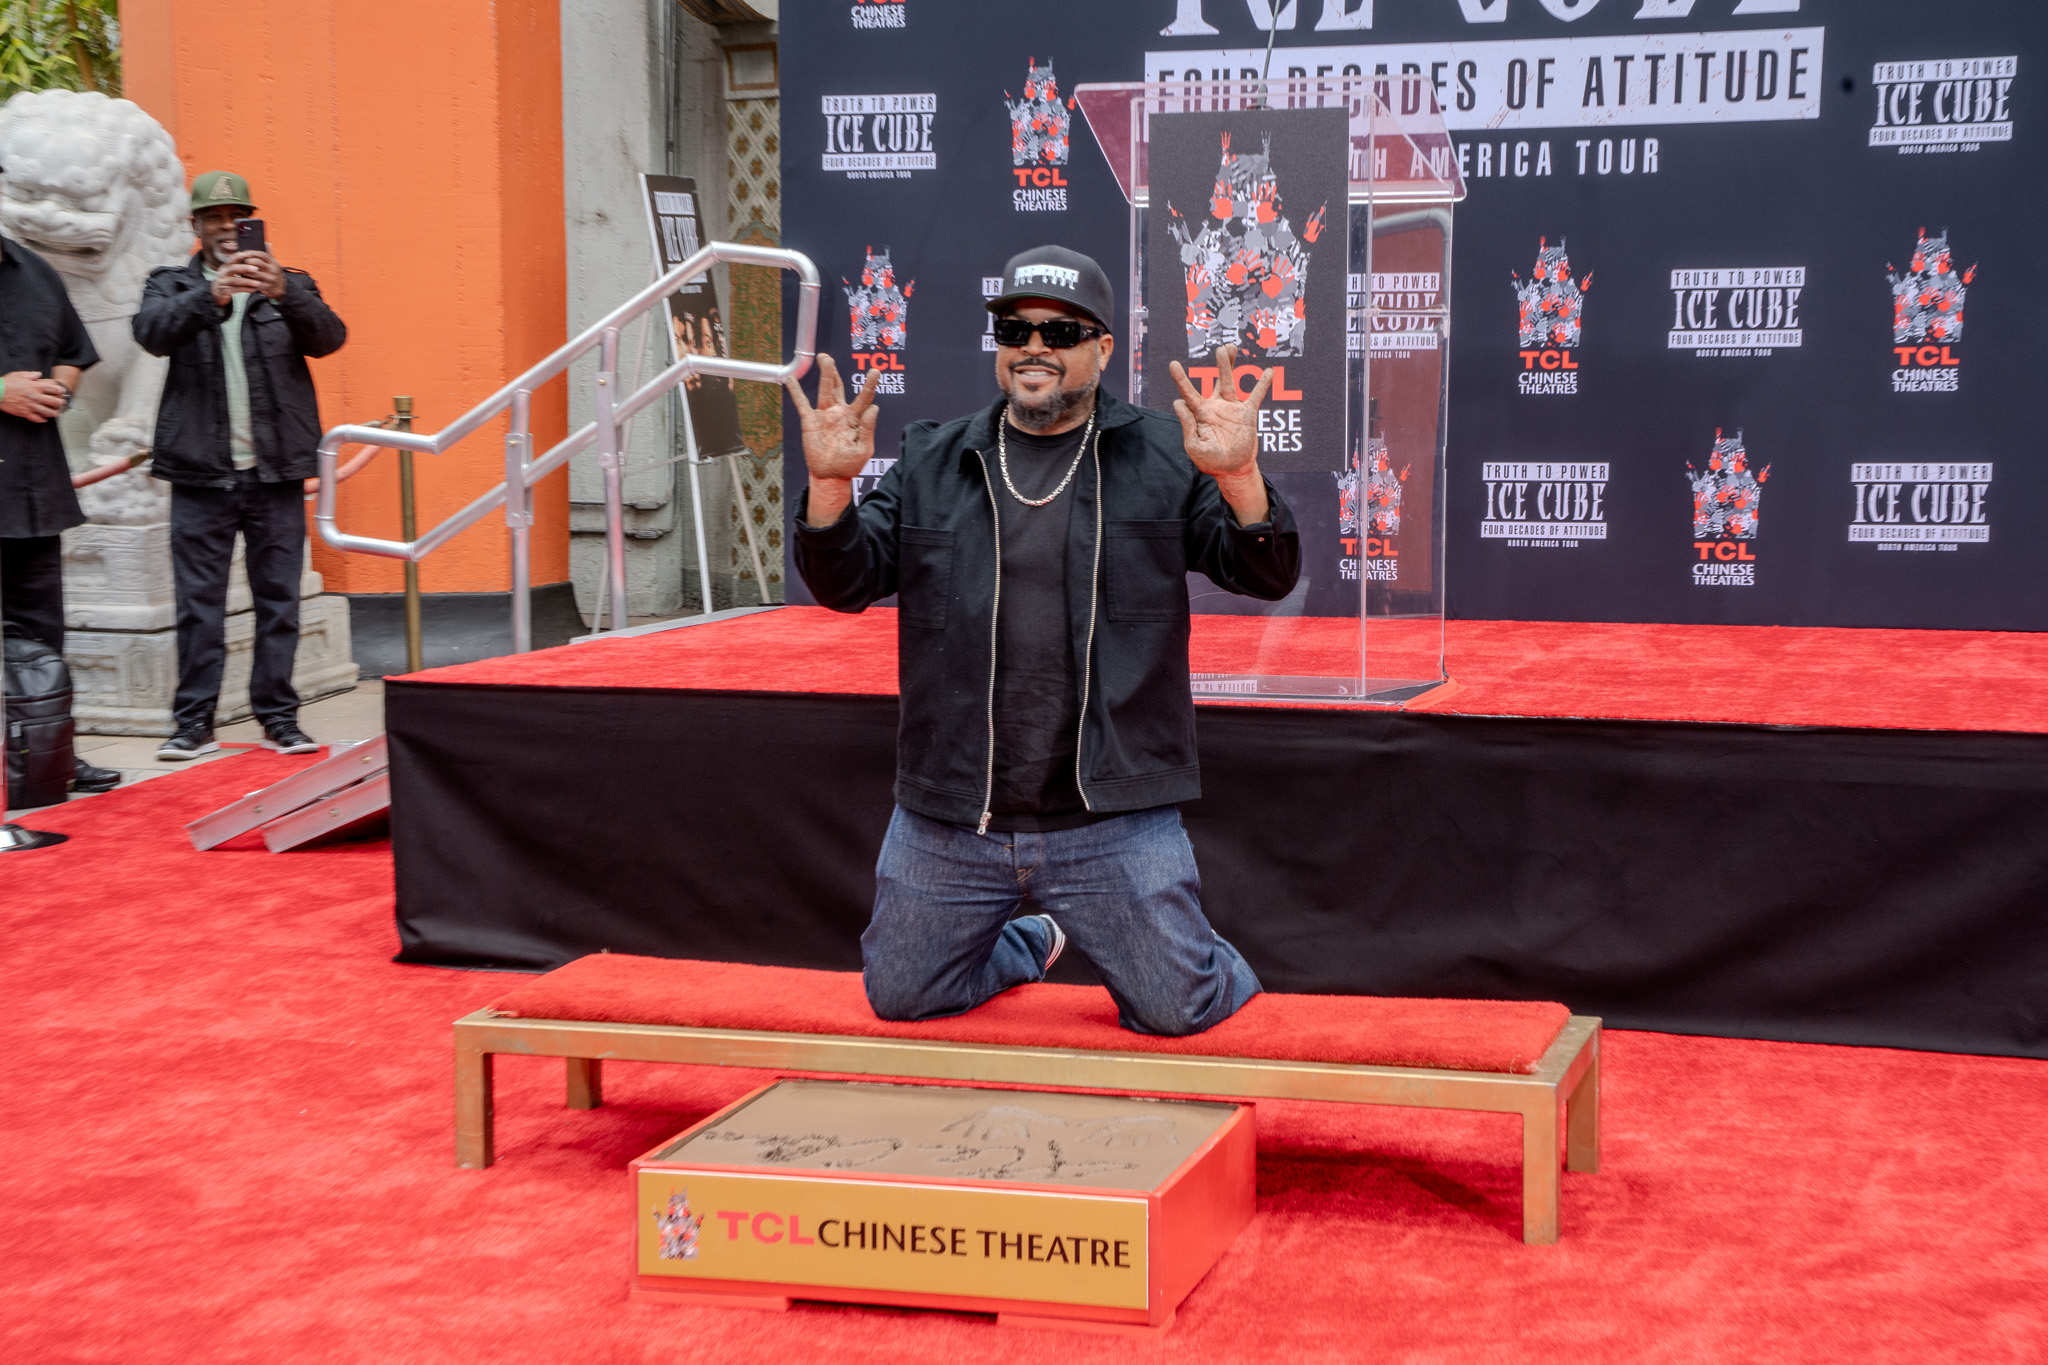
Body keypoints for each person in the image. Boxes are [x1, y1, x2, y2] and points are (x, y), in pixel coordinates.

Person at [787, 245, 1300, 1037]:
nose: (1034, 347)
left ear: (1103, 348)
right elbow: (844, 580)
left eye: (1060, 332)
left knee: (1178, 1007)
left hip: (1109, 815)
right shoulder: (932, 456)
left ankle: (1192, 952)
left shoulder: (1165, 454)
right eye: (1015, 330)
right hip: (955, 812)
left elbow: (1264, 572)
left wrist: (1237, 477)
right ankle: (1031, 942)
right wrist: (829, 488)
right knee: (903, 993)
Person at [133, 172, 347, 760]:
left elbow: (330, 338)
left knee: (278, 602)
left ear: (251, 222)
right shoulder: (170, 284)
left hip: (275, 474)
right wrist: (211, 297)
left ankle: (279, 718)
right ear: (195, 226)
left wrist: (285, 292)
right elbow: (150, 334)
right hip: (199, 474)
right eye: (214, 217)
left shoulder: (290, 282)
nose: (227, 227)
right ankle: (193, 723)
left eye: (237, 217)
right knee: (198, 606)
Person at [0, 164, 121, 796]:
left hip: (33, 493)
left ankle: (51, 757)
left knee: (44, 639)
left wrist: (58, 391)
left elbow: (75, 351)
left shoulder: (33, 270)